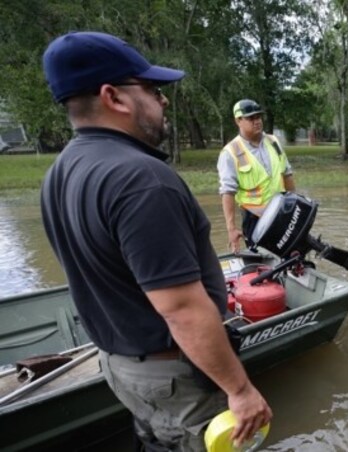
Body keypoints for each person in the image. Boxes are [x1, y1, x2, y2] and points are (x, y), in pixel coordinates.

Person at [40, 31, 271, 449]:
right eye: (150, 88)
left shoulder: (60, 173)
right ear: (114, 97)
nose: (163, 99)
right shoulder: (142, 180)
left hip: (119, 366)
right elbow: (182, 309)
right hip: (172, 375)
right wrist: (239, 390)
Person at [218, 99, 295, 253]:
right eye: (251, 118)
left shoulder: (273, 142)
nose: (257, 121)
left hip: (282, 213)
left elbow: (287, 174)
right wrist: (231, 229)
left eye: (259, 117)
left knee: (292, 258)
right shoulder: (230, 152)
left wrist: (294, 204)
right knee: (264, 265)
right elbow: (227, 192)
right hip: (255, 220)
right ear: (238, 120)